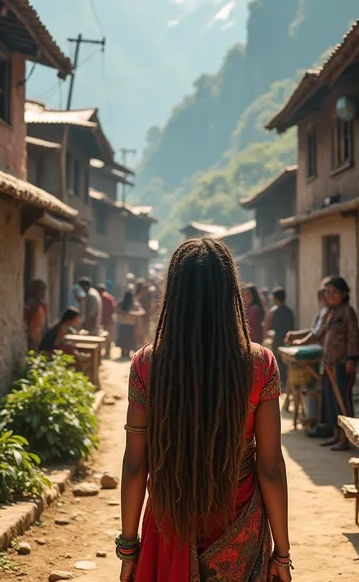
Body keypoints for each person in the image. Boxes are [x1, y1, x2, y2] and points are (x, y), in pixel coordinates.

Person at [119, 238, 291, 582]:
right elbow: (269, 466)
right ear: (231, 292)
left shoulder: (147, 364)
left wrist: (129, 549)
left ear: (174, 294)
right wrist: (282, 555)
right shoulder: (259, 363)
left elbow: (137, 464)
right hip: (240, 521)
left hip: (171, 522)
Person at [317, 277, 359, 451]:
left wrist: (352, 359)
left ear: (343, 294)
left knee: (342, 401)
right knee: (331, 402)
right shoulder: (331, 312)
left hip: (342, 364)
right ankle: (337, 436)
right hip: (329, 364)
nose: (330, 295)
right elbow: (319, 333)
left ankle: (347, 438)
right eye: (327, 292)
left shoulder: (347, 311)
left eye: (334, 292)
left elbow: (354, 336)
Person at [267, 288, 294, 385]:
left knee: (278, 362)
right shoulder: (289, 311)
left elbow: (272, 326)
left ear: (276, 298)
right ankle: (286, 382)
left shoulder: (276, 311)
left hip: (278, 339)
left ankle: (281, 382)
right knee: (286, 363)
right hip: (288, 339)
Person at [117, 290, 145, 358]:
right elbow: (117, 310)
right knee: (123, 339)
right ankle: (123, 353)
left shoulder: (135, 304)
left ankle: (127, 353)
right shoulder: (122, 304)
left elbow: (142, 312)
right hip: (124, 325)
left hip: (130, 325)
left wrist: (131, 313)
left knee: (129, 340)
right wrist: (123, 312)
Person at [24, 279, 48, 351]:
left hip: (40, 333)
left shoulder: (42, 302)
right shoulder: (31, 302)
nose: (43, 292)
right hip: (32, 333)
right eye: (42, 290)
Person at [98, 283, 117, 357]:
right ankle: (107, 353)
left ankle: (104, 352)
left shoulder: (101, 297)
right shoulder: (109, 297)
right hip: (108, 320)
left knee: (104, 337)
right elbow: (113, 309)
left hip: (103, 321)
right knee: (108, 338)